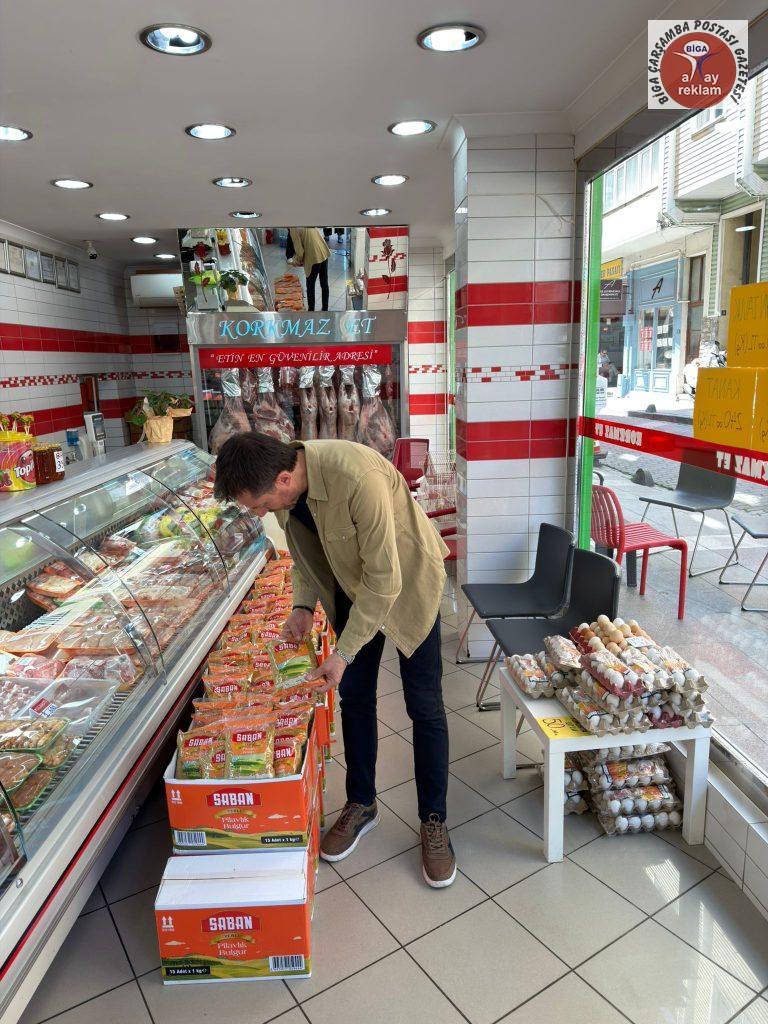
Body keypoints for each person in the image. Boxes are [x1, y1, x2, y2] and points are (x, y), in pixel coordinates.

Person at [214, 432, 456, 888]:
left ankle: (434, 820)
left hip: (407, 584)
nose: (261, 513)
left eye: (261, 505)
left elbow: (384, 582)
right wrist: (302, 606)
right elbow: (306, 556)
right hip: (351, 588)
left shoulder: (357, 476)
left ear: (283, 479)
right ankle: (362, 803)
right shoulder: (286, 490)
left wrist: (343, 652)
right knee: (355, 698)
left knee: (424, 706)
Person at [289, 227, 330, 311]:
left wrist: (295, 261)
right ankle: (325, 309)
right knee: (324, 283)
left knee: (310, 285)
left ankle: (311, 311)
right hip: (323, 251)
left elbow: (300, 252)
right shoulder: (305, 221)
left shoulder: (293, 228)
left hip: (313, 256)